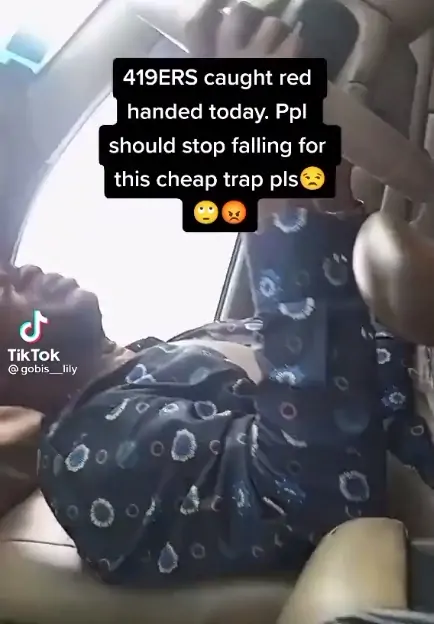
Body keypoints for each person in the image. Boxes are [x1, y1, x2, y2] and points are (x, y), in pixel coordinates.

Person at [1, 0, 434, 588]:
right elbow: (322, 500)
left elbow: (335, 321)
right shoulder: (89, 456)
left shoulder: (164, 356)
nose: (20, 270)